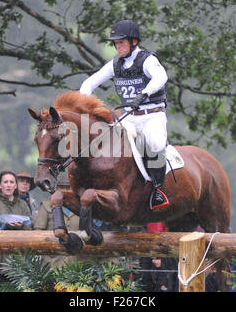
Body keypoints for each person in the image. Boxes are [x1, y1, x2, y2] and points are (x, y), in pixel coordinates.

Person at [79, 19, 169, 211]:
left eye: (120, 42)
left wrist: (144, 93)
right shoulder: (115, 65)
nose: (117, 46)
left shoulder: (147, 60)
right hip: (129, 117)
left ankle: (158, 191)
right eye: (115, 43)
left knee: (155, 144)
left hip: (152, 115)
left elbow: (162, 77)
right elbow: (88, 84)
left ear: (133, 42)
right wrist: (84, 106)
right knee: (106, 141)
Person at [0, 171, 33, 291]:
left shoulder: (23, 205)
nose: (8, 185)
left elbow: (30, 229)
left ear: (15, 186)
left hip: (17, 262)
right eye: (5, 182)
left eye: (11, 182)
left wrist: (20, 227)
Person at [34, 172, 86, 268]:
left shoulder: (82, 208)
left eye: (68, 187)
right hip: (52, 264)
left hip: (78, 264)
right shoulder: (46, 206)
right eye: (61, 187)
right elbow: (38, 234)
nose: (65, 191)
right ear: (56, 189)